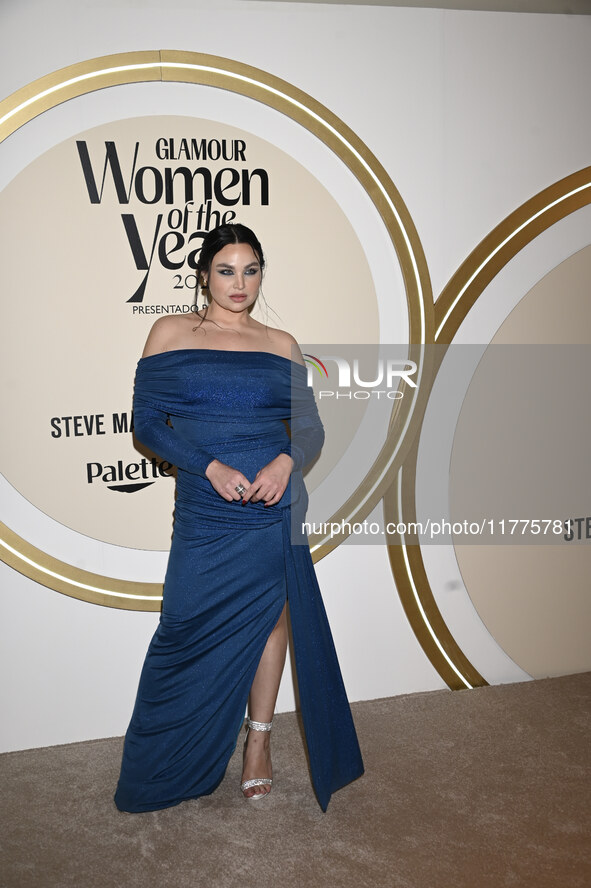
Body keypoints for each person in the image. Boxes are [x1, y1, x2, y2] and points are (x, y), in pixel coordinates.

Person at [114, 223, 363, 812]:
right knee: (182, 623)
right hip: (206, 505)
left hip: (272, 508)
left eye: (251, 270)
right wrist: (209, 468)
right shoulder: (171, 331)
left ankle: (259, 742)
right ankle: (171, 758)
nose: (239, 283)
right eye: (226, 270)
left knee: (271, 622)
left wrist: (286, 463)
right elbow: (147, 424)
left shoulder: (280, 343)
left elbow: (309, 427)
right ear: (203, 274)